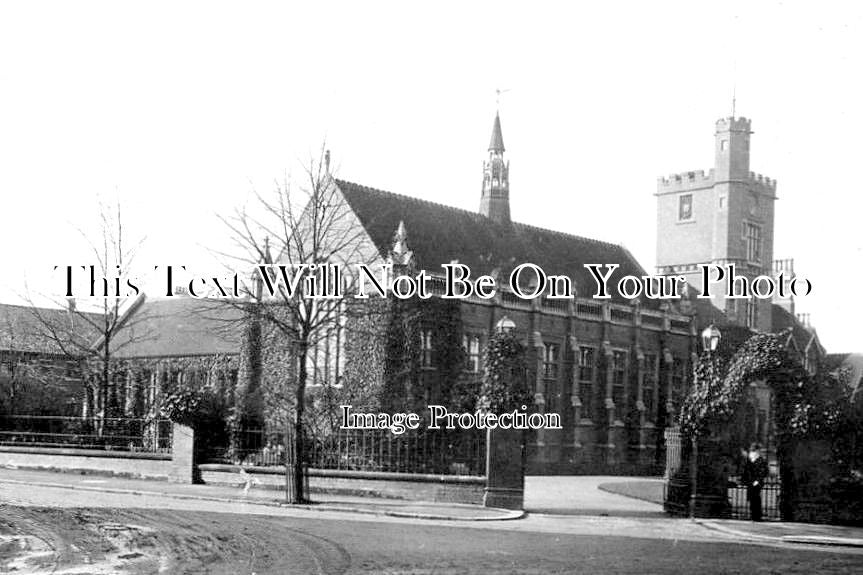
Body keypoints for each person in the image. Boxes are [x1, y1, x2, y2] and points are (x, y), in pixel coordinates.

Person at [741, 442, 769, 521]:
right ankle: (754, 515)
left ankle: (756, 516)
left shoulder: (759, 459)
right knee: (753, 498)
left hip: (756, 481)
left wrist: (758, 480)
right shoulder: (751, 458)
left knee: (755, 498)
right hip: (751, 481)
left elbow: (764, 471)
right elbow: (746, 470)